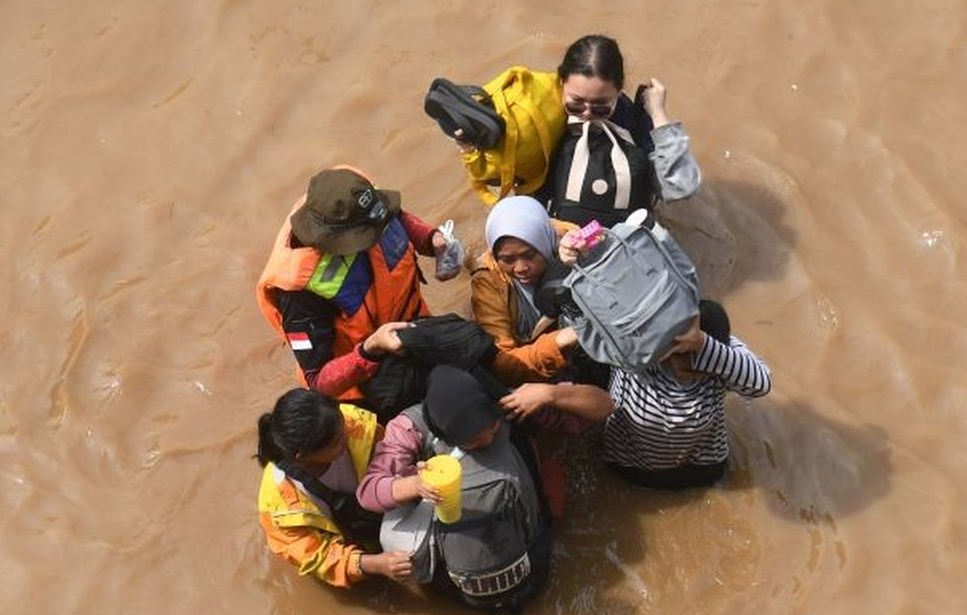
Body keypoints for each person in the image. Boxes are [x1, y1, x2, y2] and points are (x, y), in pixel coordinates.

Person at [256, 166, 459, 414]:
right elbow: (318, 382)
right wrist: (371, 348)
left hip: (414, 329)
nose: (377, 233)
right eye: (367, 234)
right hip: (366, 386)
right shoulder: (297, 294)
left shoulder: (358, 199)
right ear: (336, 240)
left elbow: (395, 217)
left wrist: (432, 239)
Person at [356, 366, 553, 615]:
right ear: (445, 431)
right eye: (473, 440)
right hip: (495, 568)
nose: (488, 441)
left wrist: (551, 393)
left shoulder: (509, 401)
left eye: (492, 428)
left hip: (509, 563)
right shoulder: (409, 429)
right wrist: (415, 483)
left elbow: (600, 405)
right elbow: (368, 493)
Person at [600, 300, 772, 489]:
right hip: (629, 465)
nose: (692, 365)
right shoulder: (638, 355)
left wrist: (704, 345)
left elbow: (761, 385)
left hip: (699, 469)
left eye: (702, 360)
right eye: (683, 354)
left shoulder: (722, 358)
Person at [256, 388, 414, 588]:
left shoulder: (352, 423)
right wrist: (374, 565)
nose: (347, 435)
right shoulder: (281, 506)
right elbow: (318, 558)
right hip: (348, 541)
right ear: (303, 456)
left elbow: (393, 454)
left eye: (344, 427)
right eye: (338, 442)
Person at [540, 34, 702, 227]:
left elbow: (680, 187)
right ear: (561, 84)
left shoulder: (633, 121)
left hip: (623, 239)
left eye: (600, 107)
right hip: (559, 231)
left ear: (618, 92)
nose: (587, 114)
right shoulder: (542, 113)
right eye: (576, 104)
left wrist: (658, 114)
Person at [468, 195, 585, 386]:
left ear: (544, 241)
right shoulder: (488, 283)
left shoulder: (572, 243)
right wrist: (560, 341)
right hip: (541, 354)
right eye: (507, 260)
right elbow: (502, 363)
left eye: (529, 255)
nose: (521, 268)